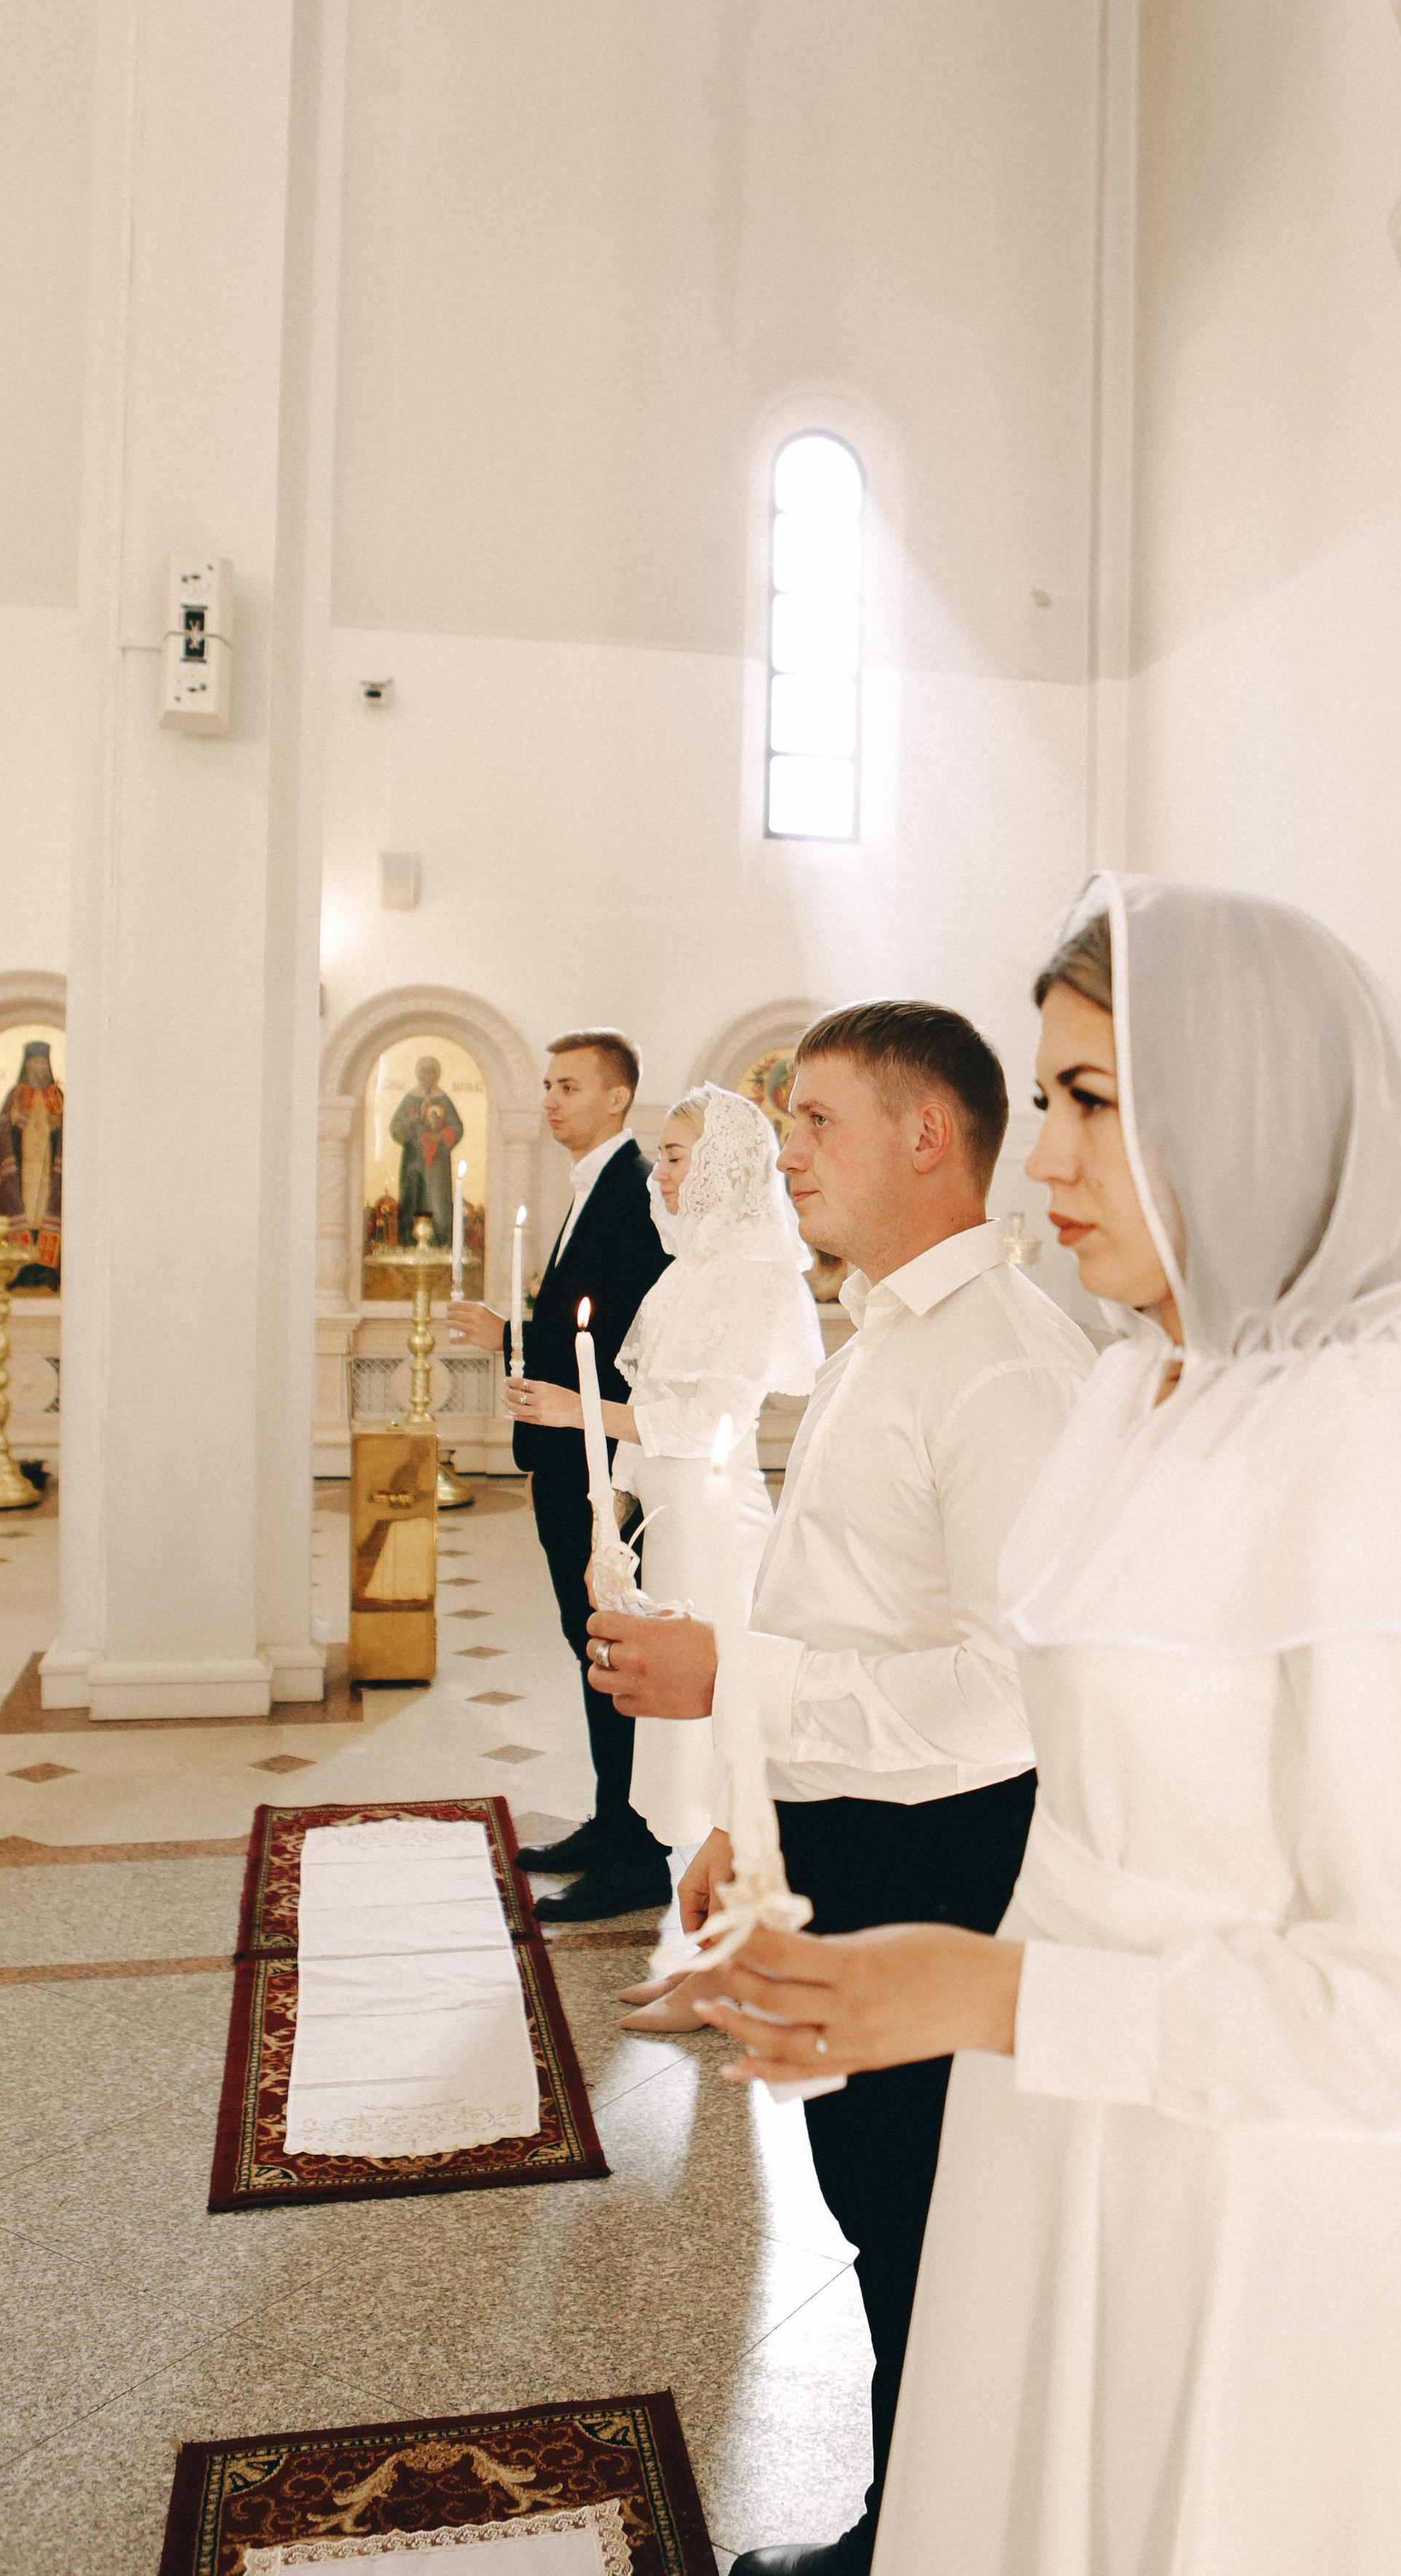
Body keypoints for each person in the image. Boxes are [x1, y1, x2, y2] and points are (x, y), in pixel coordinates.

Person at [695, 877, 1401, 2576]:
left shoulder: (1380, 1452)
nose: (1044, 1157)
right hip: (1043, 2139)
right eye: (1043, 1094)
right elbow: (1080, 1783)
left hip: (1229, 2205)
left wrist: (988, 1988)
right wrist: (797, 1880)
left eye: (1089, 1100)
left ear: (1245, 1115)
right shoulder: (1142, 1394)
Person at [582, 1001, 1095, 2575]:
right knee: (884, 2214)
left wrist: (732, 1685)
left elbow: (1012, 1699)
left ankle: (914, 2542)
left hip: (947, 1855)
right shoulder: (898, 1329)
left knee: (925, 2227)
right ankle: (908, 2523)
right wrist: (749, 1811)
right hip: (855, 1829)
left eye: (812, 1121)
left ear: (923, 1134)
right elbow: (839, 1609)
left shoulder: (1003, 1368)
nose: (783, 1152)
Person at [510, 1083, 824, 2030]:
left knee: (728, 1752)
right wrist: (618, 1537)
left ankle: (737, 1964)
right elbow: (653, 1443)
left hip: (721, 1534)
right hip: (675, 1529)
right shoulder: (691, 1269)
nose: (665, 1173)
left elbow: (710, 1421)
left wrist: (578, 1410)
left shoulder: (752, 1275)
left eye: (681, 1154)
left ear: (725, 1164)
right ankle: (705, 1960)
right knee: (684, 1754)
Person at [447, 1028, 670, 1923]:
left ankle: (636, 1854)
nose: (550, 1099)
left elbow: (621, 1345)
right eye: (545, 1084)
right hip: (565, 1455)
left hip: (599, 1465)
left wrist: (609, 1468)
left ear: (617, 1098)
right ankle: (609, 1820)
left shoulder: (633, 1192)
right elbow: (576, 1336)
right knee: (591, 1647)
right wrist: (508, 1331)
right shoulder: (591, 1188)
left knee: (613, 1650)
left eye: (568, 1085)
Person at [0, 1039, 64, 1288]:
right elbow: (2, 1129)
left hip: (50, 1174)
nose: (38, 1068)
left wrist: (61, 1126)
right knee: (25, 1215)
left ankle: (47, 1270)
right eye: (34, 1063)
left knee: (46, 1217)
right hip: (23, 1173)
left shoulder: (58, 1097)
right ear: (26, 1065)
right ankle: (21, 1270)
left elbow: (72, 1136)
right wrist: (13, 1122)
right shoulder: (16, 1096)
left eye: (43, 1063)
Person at [390, 1054, 464, 1247]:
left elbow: (457, 1128)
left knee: (438, 1202)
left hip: (438, 1162)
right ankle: (408, 1245)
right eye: (424, 1071)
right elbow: (395, 1128)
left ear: (438, 1075)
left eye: (432, 1071)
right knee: (412, 1198)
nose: (428, 1075)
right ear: (418, 1074)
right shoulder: (410, 1099)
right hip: (413, 1160)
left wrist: (441, 1136)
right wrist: (411, 1121)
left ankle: (440, 1245)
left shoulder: (443, 1099)